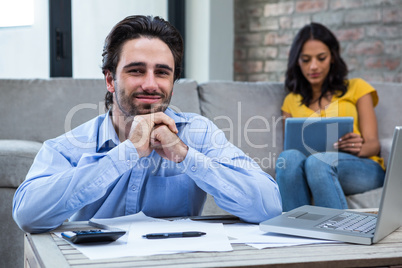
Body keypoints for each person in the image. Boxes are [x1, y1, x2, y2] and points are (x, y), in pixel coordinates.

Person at [12, 15, 282, 233]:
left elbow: (269, 206)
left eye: (162, 73)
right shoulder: (70, 145)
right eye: (136, 70)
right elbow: (28, 214)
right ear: (110, 80)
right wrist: (127, 152)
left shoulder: (197, 133)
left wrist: (185, 156)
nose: (151, 84)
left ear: (173, 85)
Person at [275, 22, 385, 212]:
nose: (314, 66)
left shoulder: (357, 87)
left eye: (321, 58)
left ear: (332, 57)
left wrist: (357, 147)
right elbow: (293, 149)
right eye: (306, 60)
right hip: (311, 168)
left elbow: (374, 144)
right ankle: (296, 230)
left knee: (318, 162)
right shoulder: (291, 101)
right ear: (297, 61)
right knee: (287, 158)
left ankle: (337, 233)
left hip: (361, 167)